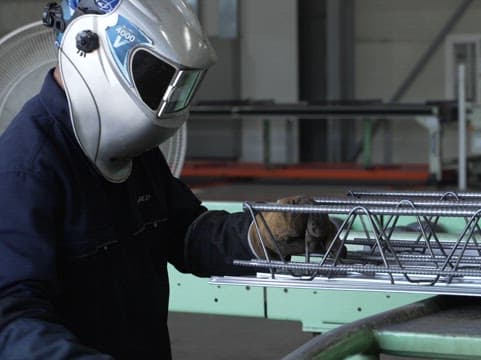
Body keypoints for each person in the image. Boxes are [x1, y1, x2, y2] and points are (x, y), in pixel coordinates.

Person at [0, 1, 335, 358]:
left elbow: (185, 232)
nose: (166, 99)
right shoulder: (26, 170)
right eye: (158, 79)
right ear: (89, 46)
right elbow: (11, 322)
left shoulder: (129, 150)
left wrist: (259, 234)